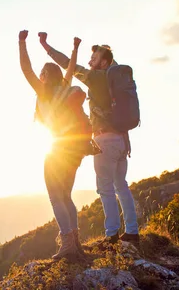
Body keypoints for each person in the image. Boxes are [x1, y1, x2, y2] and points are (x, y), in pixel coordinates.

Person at [39, 32, 139, 246]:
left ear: (103, 62)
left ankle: (111, 235)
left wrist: (46, 47)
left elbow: (68, 65)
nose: (89, 62)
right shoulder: (116, 81)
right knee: (121, 185)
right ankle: (132, 230)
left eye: (93, 59)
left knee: (105, 188)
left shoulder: (96, 78)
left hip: (105, 140)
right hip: (123, 140)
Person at [18, 30, 92, 260]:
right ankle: (76, 242)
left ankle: (68, 242)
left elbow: (25, 69)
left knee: (55, 196)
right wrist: (75, 49)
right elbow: (70, 69)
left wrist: (22, 43)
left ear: (43, 77)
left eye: (41, 74)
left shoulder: (44, 91)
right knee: (66, 196)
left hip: (57, 150)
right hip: (76, 151)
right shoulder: (66, 86)